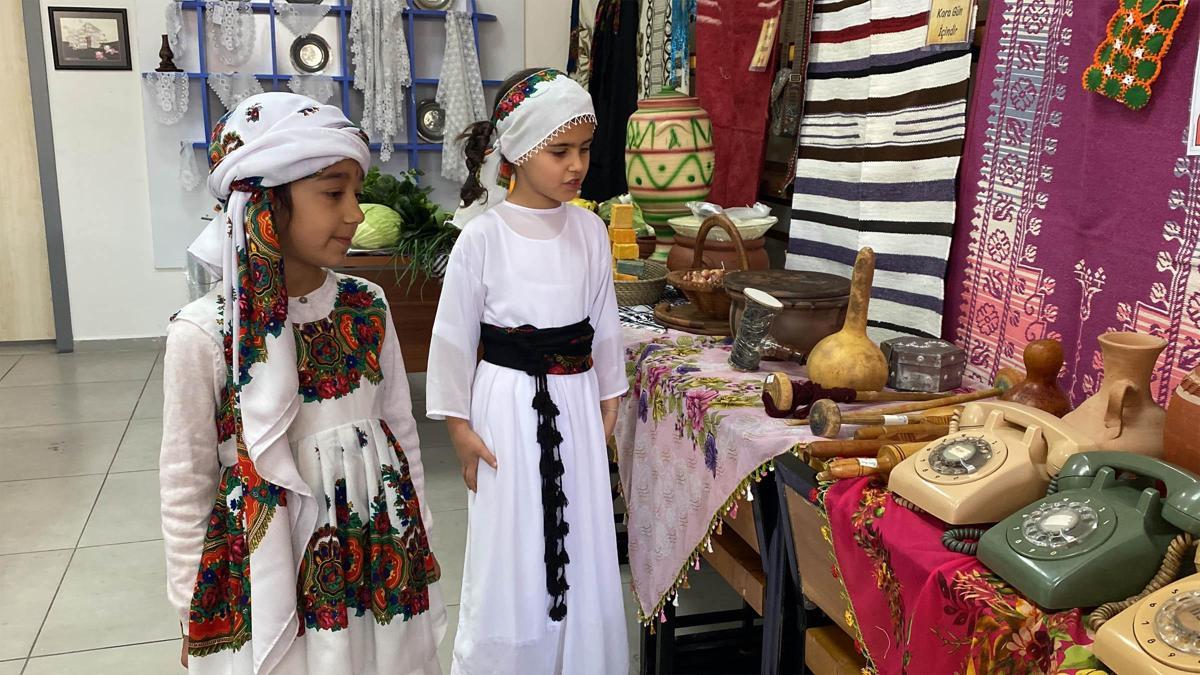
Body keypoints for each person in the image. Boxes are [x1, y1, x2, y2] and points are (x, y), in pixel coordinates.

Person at [159, 92, 446, 674]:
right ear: (267, 204)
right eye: (332, 193)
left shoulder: (368, 304)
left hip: (374, 551)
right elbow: (187, 479)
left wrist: (421, 534)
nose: (355, 213)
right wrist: (192, 605)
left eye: (356, 193)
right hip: (266, 567)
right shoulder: (206, 333)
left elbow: (399, 430)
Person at [426, 67, 629, 675]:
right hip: (507, 405)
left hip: (575, 397)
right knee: (512, 535)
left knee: (582, 528)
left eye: (585, 150)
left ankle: (578, 656)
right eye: (559, 150)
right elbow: (453, 338)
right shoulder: (481, 237)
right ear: (516, 151)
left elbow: (605, 321)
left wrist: (609, 393)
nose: (576, 166)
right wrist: (459, 428)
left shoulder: (591, 229)